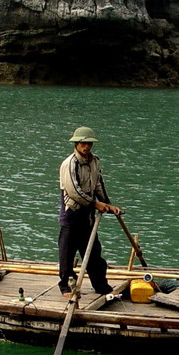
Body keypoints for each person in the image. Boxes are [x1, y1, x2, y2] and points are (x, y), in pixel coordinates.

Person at [58, 127, 121, 298]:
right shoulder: (70, 164)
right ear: (76, 144)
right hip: (72, 212)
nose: (86, 147)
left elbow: (98, 184)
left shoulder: (94, 161)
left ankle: (101, 285)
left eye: (89, 143)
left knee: (93, 252)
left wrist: (108, 204)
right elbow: (73, 191)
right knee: (67, 253)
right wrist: (95, 204)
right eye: (83, 143)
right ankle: (66, 287)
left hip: (88, 214)